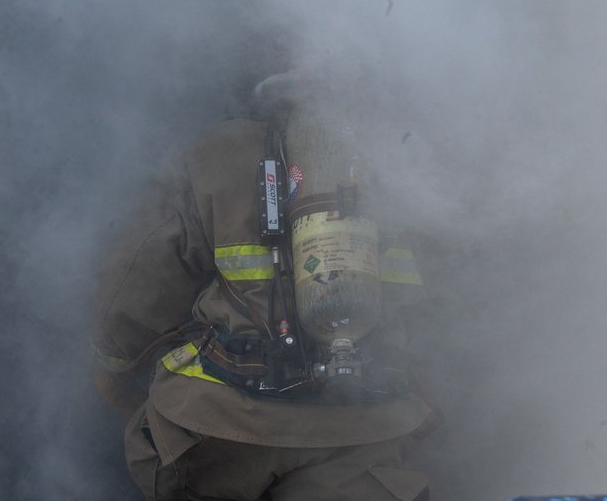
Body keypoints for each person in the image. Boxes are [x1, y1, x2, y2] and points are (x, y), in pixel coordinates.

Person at [91, 75, 441, 501]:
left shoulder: (218, 152)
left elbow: (138, 277)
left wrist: (115, 364)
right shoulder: (387, 164)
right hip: (359, 427)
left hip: (223, 425)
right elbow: (417, 300)